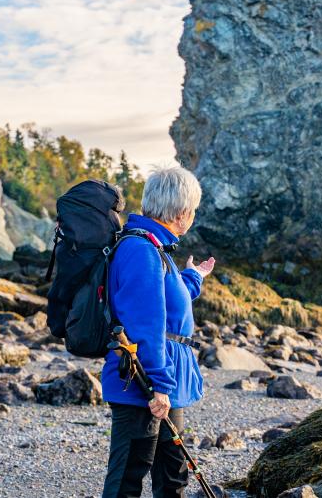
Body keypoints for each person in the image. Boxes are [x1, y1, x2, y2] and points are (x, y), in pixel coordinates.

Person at [101, 166, 216, 498]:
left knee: (173, 476)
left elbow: (168, 302)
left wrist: (193, 277)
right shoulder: (141, 251)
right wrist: (158, 387)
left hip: (163, 380)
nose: (192, 216)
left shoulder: (156, 249)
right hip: (141, 381)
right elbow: (145, 324)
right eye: (192, 210)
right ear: (181, 214)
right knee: (127, 479)